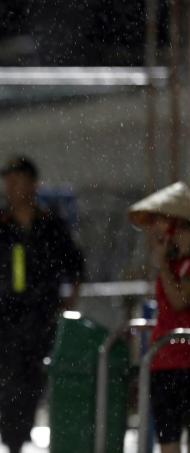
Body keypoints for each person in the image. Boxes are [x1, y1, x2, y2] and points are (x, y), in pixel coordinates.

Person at [0, 155, 83, 453]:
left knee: (33, 383)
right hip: (1, 319)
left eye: (17, 180)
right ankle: (12, 438)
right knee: (6, 383)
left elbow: (76, 265)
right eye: (8, 181)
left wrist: (69, 299)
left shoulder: (51, 225)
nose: (11, 187)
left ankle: (20, 433)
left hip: (40, 318)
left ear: (32, 183)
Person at [127, 182, 190, 453]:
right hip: (163, 361)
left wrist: (162, 264)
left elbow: (179, 300)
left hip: (186, 361)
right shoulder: (173, 265)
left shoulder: (182, 267)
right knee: (168, 443)